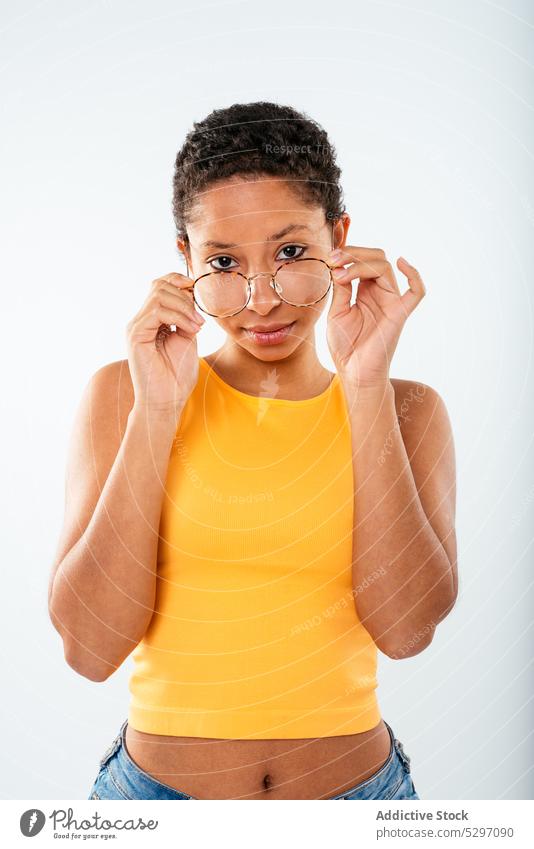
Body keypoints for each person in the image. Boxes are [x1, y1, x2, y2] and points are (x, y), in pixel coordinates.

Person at [48, 101, 457, 800]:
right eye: (225, 263)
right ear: (185, 260)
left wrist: (363, 387)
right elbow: (89, 649)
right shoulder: (123, 395)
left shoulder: (408, 409)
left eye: (292, 252)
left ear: (340, 238)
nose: (261, 300)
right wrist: (158, 411)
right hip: (155, 805)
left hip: (361, 802)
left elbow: (407, 629)